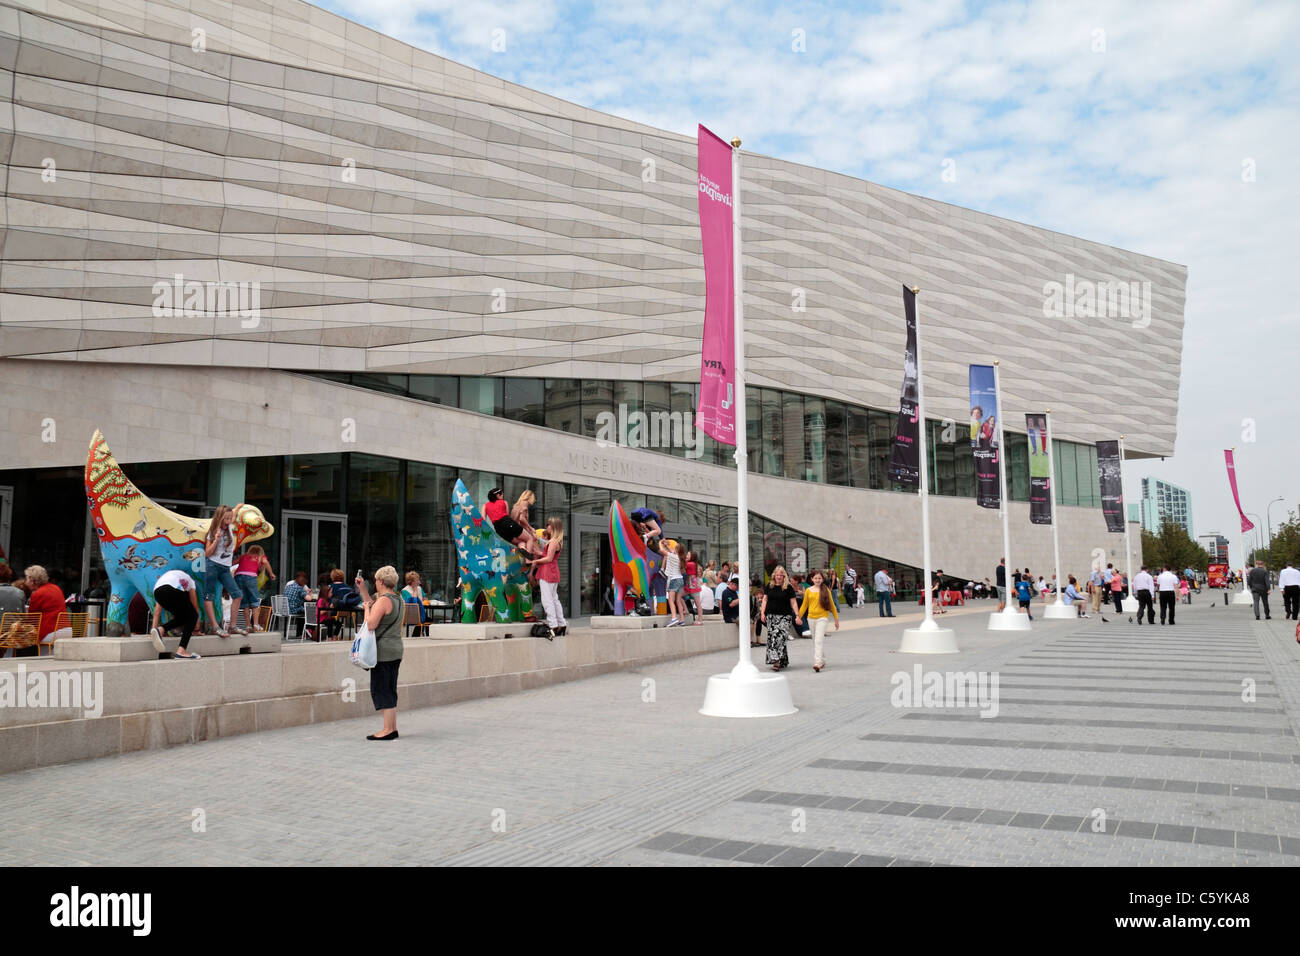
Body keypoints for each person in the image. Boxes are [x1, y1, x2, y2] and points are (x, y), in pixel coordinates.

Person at [354, 566, 403, 740]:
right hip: (395, 650)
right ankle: (392, 727)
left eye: (376, 580)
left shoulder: (383, 601)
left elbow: (372, 624)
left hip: (383, 652)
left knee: (382, 689)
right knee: (390, 689)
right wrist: (363, 591)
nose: (375, 582)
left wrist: (366, 609)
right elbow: (374, 606)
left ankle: (388, 730)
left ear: (381, 581)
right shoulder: (397, 599)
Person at [202, 504, 243, 637]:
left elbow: (235, 512)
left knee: (237, 594)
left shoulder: (230, 525)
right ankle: (215, 626)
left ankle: (232, 626)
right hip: (213, 565)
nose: (228, 521)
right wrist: (216, 541)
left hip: (225, 567)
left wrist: (238, 506)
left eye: (230, 518)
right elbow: (207, 553)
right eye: (226, 519)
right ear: (219, 518)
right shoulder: (213, 532)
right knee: (209, 596)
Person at [527, 517, 567, 638]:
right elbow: (549, 556)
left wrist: (534, 562)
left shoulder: (553, 541)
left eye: (549, 525)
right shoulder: (557, 541)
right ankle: (561, 624)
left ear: (554, 527)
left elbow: (548, 558)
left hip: (547, 571)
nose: (547, 527)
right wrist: (538, 553)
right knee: (554, 599)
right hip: (552, 571)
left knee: (547, 599)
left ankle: (553, 625)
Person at [149, 569, 202, 658]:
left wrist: (153, 630)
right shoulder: (191, 582)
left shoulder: (170, 578)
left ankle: (161, 629)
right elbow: (195, 606)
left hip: (157, 593)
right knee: (193, 615)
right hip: (170, 590)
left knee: (182, 617)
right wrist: (196, 628)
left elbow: (157, 611)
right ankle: (181, 650)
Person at [797, 569, 839, 673]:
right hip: (811, 618)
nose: (817, 580)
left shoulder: (826, 590)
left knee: (818, 641)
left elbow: (832, 605)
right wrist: (798, 617)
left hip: (822, 618)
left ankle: (817, 663)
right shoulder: (808, 590)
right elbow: (804, 606)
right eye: (815, 578)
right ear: (812, 579)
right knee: (815, 641)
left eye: (819, 578)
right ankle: (823, 659)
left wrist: (836, 619)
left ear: (822, 579)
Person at [760, 565, 799, 671]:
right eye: (777, 575)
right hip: (771, 616)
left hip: (785, 617)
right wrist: (762, 613)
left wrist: (797, 615)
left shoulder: (788, 587)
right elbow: (765, 600)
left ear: (784, 576)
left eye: (781, 575)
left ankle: (777, 660)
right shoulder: (770, 586)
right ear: (774, 576)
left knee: (780, 638)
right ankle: (780, 660)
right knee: (773, 638)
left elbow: (793, 602)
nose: (779, 577)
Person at [484, 487, 540, 556]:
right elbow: (507, 516)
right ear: (498, 495)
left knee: (520, 542)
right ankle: (528, 559)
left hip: (498, 529)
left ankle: (523, 550)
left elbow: (483, 519)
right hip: (508, 523)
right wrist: (531, 529)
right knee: (529, 539)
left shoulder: (485, 505)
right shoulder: (504, 502)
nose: (503, 496)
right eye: (502, 495)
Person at [24, 565, 68, 651]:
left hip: (50, 632)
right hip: (66, 629)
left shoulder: (38, 594)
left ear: (32, 581)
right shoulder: (56, 588)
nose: (25, 582)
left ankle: (20, 663)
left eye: (26, 579)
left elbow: (32, 619)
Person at [232, 544, 275, 632]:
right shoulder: (260, 556)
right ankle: (255, 624)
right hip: (250, 577)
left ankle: (248, 626)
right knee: (254, 601)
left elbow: (233, 563)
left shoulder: (244, 556)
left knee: (245, 603)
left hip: (238, 577)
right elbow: (266, 562)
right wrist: (271, 573)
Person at [659, 539, 687, 627]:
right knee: (678, 601)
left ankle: (674, 618)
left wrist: (660, 542)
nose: (673, 549)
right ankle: (682, 620)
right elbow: (671, 551)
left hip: (674, 580)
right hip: (680, 580)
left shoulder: (673, 556)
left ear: (677, 550)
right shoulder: (680, 558)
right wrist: (667, 546)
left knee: (671, 600)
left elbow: (662, 551)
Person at [683, 550, 702, 625]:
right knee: (679, 596)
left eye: (688, 555)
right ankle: (686, 610)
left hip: (693, 585)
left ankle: (700, 620)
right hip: (691, 584)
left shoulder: (691, 564)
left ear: (692, 557)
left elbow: (682, 564)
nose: (686, 556)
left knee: (698, 603)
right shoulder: (692, 563)